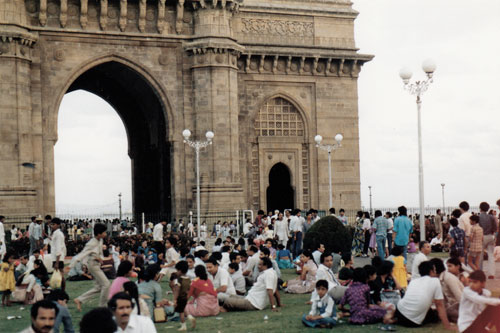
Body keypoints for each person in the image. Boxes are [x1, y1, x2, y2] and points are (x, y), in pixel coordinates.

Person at [394, 261, 453, 329]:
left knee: (430, 311)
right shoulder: (435, 281)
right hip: (411, 321)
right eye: (434, 270)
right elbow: (439, 304)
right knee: (435, 316)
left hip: (399, 312)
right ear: (431, 271)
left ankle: (394, 319)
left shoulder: (413, 281)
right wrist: (447, 325)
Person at [71, 223, 110, 310]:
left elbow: (99, 254)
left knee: (99, 287)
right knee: (106, 284)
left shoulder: (100, 240)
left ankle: (79, 299)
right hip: (92, 265)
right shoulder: (91, 243)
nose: (105, 234)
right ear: (99, 233)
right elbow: (82, 254)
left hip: (96, 264)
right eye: (104, 232)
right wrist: (71, 265)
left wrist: (100, 258)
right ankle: (103, 307)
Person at [430, 258, 463, 323]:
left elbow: (460, 297)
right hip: (452, 306)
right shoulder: (439, 279)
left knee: (446, 312)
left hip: (460, 305)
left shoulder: (448, 278)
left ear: (435, 270)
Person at [478, 202, 497, 279]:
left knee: (480, 255)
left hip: (481, 236)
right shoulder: (491, 217)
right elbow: (495, 228)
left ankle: (480, 272)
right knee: (491, 255)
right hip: (490, 236)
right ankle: (491, 273)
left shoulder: (478, 217)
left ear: (480, 208)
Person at [171, 261, 192, 331]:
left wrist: (175, 299)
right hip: (185, 297)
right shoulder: (188, 279)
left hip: (180, 297)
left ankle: (183, 325)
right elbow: (189, 289)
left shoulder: (179, 280)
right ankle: (190, 317)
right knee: (183, 309)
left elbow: (177, 290)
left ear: (179, 270)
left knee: (181, 312)